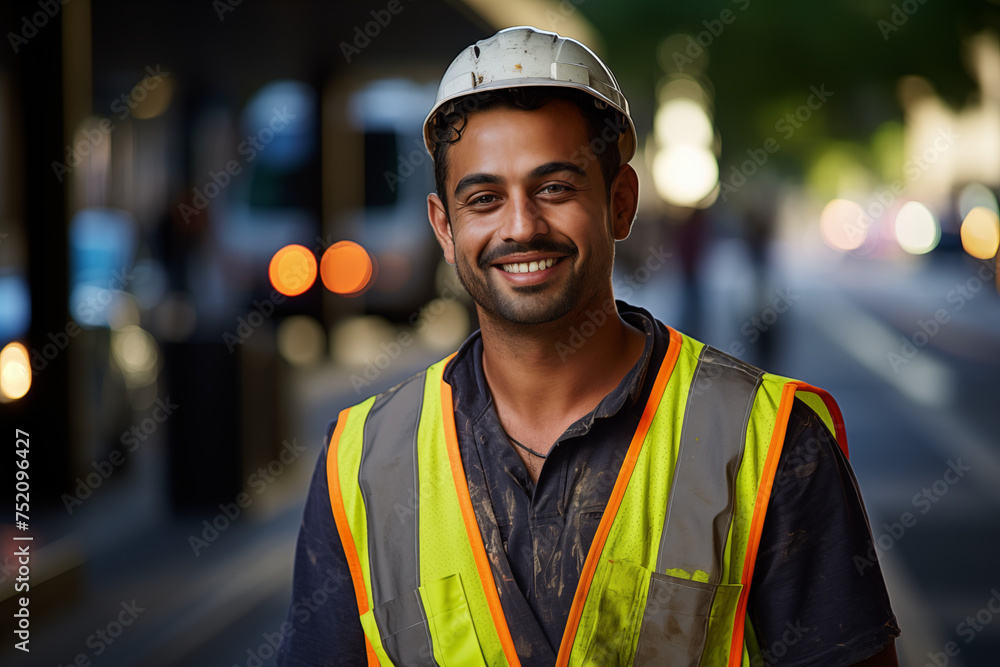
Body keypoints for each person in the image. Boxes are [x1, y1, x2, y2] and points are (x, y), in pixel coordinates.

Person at [277, 26, 900, 666]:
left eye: (555, 188)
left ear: (620, 202)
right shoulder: (360, 464)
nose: (521, 226)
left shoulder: (771, 442)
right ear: (445, 226)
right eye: (484, 198)